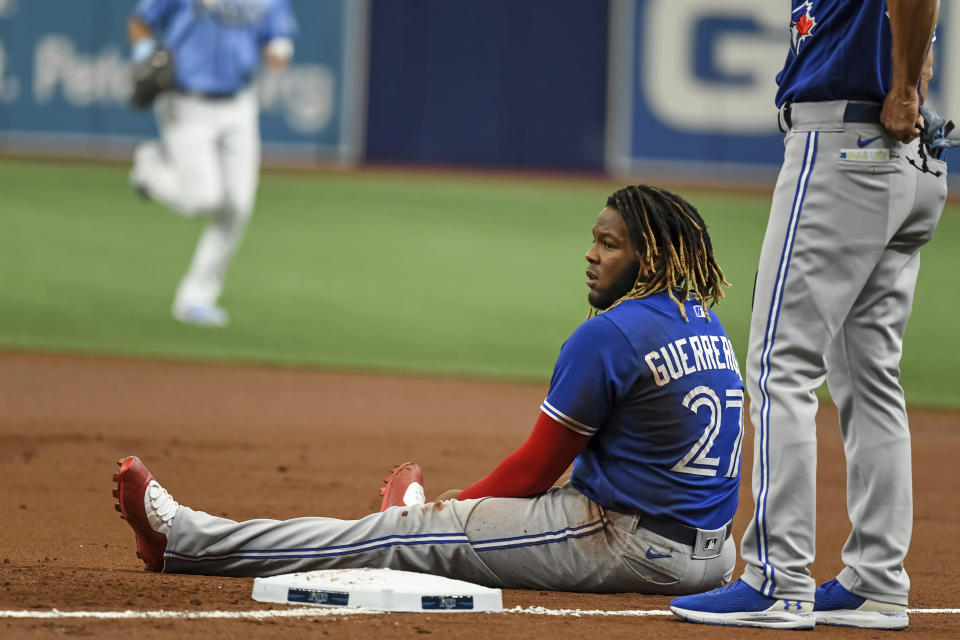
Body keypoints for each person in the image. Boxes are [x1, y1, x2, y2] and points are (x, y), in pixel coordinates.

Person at [112, 184, 746, 594]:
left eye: (608, 244)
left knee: (392, 537)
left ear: (651, 258)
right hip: (715, 557)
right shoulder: (707, 322)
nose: (590, 254)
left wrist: (446, 509)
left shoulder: (612, 334)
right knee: (557, 487)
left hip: (633, 545)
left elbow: (531, 469)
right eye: (594, 240)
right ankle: (411, 511)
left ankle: (186, 540)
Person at [670, 0, 946, 631]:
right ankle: (876, 582)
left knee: (779, 366)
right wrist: (913, 70)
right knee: (870, 376)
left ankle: (776, 579)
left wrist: (904, 86)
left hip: (843, 149)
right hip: (897, 162)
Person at [127, 0, 298, 327]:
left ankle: (196, 297)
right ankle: (149, 169)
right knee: (201, 200)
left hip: (240, 105)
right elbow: (140, 21)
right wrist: (146, 54)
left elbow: (277, 34)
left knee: (238, 207)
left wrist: (279, 50)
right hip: (186, 101)